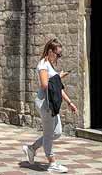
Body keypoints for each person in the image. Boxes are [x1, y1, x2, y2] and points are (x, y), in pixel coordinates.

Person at [23, 38, 77, 174]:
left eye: (60, 55)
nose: (58, 57)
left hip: (52, 103)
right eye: (57, 54)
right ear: (50, 51)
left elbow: (57, 88)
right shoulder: (43, 64)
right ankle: (52, 163)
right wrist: (59, 76)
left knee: (56, 132)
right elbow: (44, 84)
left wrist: (69, 102)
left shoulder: (50, 65)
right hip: (45, 103)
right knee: (48, 134)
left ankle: (32, 148)